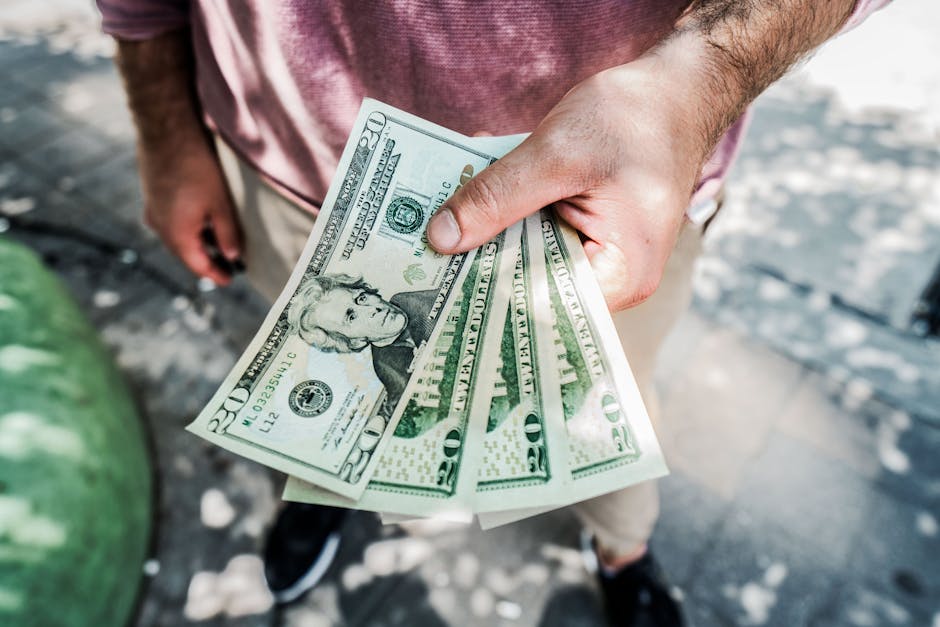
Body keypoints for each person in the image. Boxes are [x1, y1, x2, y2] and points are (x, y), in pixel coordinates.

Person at [97, 1, 889, 624]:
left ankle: (623, 547)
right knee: (332, 414)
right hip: (291, 174)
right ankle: (326, 493)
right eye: (349, 319)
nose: (362, 307)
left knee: (609, 416)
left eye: (354, 307)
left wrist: (703, 75)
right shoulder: (356, 338)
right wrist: (167, 133)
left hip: (602, 202)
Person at [287, 272, 437, 412]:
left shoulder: (412, 303)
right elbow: (401, 400)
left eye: (361, 298)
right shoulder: (383, 363)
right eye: (352, 317)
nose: (372, 309)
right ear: (355, 342)